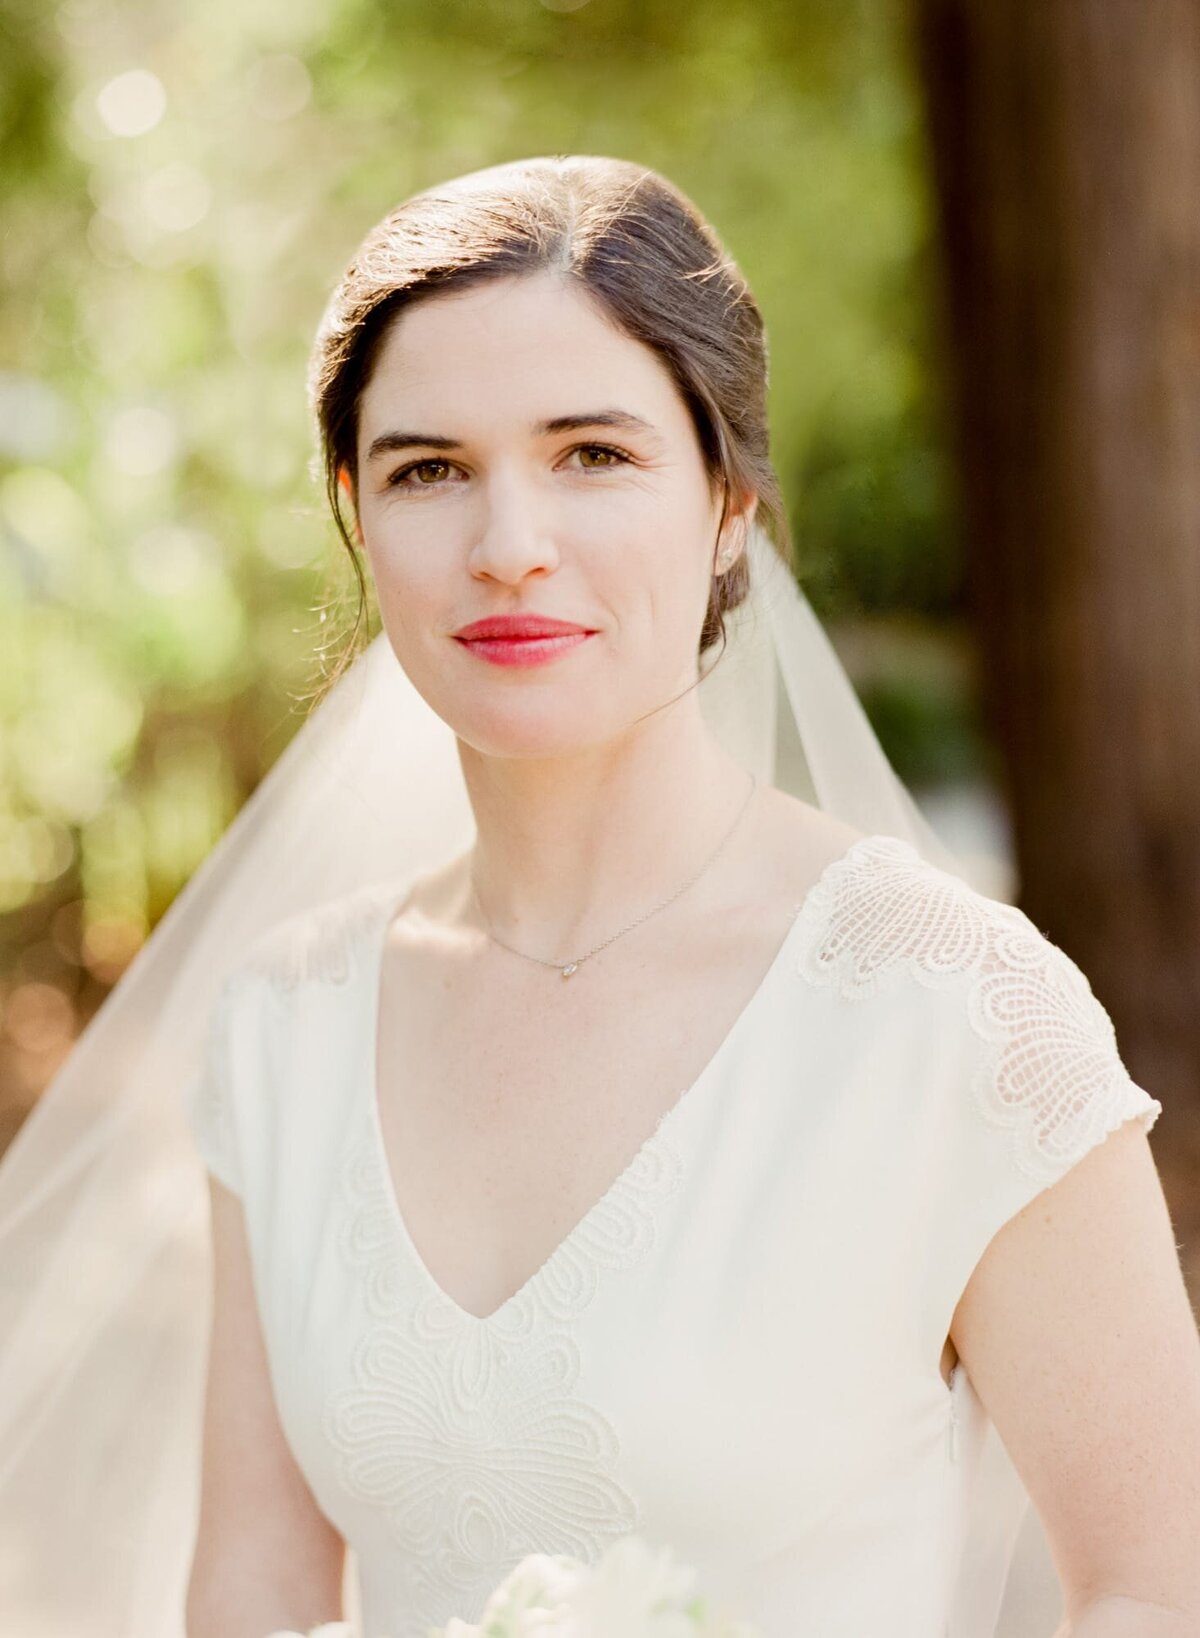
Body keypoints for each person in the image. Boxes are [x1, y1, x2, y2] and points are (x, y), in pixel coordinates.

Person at [2, 155, 1197, 1638]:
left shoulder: (958, 1011)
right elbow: (252, 1592)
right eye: (428, 468)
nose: (510, 543)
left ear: (729, 504)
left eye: (593, 453)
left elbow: (1154, 1586)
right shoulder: (289, 1025)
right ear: (356, 519)